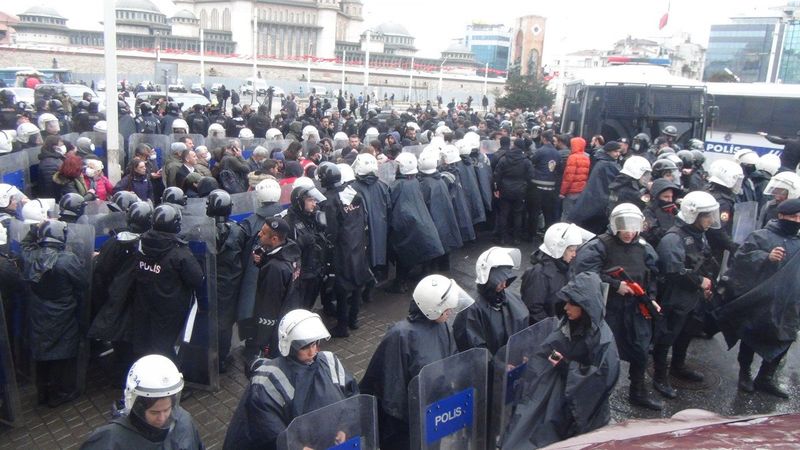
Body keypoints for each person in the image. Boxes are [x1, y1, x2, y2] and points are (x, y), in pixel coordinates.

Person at [501, 272, 620, 449]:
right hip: (558, 398)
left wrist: (568, 368)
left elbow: (601, 380)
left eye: (572, 303)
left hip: (577, 409)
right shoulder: (570, 325)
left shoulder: (602, 340)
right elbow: (547, 351)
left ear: (585, 306)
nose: (566, 307)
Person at [360, 275, 473, 450]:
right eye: (446, 308)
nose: (450, 312)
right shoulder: (401, 335)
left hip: (432, 413)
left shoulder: (441, 326)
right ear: (431, 309)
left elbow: (451, 360)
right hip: (407, 425)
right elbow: (391, 389)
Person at [223, 309, 358, 450]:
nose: (312, 352)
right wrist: (297, 447)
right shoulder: (269, 380)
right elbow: (269, 427)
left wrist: (344, 428)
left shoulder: (329, 361)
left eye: (314, 344)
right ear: (290, 346)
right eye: (304, 347)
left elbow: (352, 397)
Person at [573, 203, 662, 410]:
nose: (629, 233)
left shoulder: (644, 247)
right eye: (624, 228)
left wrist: (651, 298)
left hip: (636, 308)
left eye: (633, 228)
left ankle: (637, 392)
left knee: (641, 351)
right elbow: (585, 275)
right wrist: (615, 285)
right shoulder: (599, 246)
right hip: (609, 309)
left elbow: (652, 276)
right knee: (603, 354)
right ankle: (595, 398)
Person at [715, 198, 800, 398]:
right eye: (793, 217)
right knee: (751, 335)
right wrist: (765, 257)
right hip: (762, 299)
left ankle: (765, 378)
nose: (797, 221)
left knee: (784, 337)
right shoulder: (761, 236)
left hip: (789, 303)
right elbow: (740, 259)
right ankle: (744, 373)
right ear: (781, 216)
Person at [653, 191, 720, 400]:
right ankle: (659, 377)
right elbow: (673, 270)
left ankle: (678, 366)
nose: (711, 220)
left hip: (692, 296)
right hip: (675, 297)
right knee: (666, 336)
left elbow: (704, 260)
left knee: (687, 332)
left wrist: (707, 285)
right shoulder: (673, 238)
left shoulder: (699, 234)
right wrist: (700, 281)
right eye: (707, 216)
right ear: (694, 215)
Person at [21, 220, 88, 408]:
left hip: (38, 312)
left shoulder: (30, 256)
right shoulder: (67, 260)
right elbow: (83, 282)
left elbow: (25, 245)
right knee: (62, 354)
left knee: (42, 354)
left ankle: (43, 393)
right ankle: (60, 394)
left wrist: (35, 229)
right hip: (63, 313)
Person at [89, 201, 153, 386]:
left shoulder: (113, 243)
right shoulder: (149, 245)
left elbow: (101, 271)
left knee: (121, 342)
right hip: (138, 301)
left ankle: (122, 375)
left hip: (117, 298)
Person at [80, 354, 204, 449]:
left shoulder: (184, 422)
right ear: (136, 405)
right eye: (154, 412)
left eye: (167, 410)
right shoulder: (108, 440)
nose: (162, 418)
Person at [133, 204, 204, 362]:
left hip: (144, 305)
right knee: (165, 350)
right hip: (170, 310)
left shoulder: (140, 244)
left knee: (147, 346)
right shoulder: (179, 252)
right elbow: (197, 279)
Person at [318, 163, 372, 337]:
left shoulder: (329, 200)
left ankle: (342, 326)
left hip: (341, 249)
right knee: (357, 282)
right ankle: (353, 320)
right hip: (358, 243)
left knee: (341, 287)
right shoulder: (353, 193)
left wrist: (327, 249)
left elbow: (331, 230)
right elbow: (363, 218)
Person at [238, 179, 285, 356]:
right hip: (279, 276)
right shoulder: (286, 217)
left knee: (252, 309)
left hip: (253, 275)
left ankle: (252, 349)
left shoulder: (249, 222)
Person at [387, 153, 444, 293]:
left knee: (403, 254)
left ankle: (400, 283)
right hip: (418, 221)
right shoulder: (415, 182)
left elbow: (389, 204)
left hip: (404, 223)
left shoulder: (396, 185)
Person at [454, 247, 528, 354]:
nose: (504, 285)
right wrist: (498, 363)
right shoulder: (471, 309)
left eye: (507, 280)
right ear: (489, 278)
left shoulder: (507, 298)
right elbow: (475, 349)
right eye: (500, 280)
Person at [249, 217, 301, 360]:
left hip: (276, 329)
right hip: (289, 315)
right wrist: (263, 260)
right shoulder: (291, 251)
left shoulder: (274, 269)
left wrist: (262, 341)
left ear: (274, 239)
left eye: (264, 233)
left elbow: (269, 308)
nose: (259, 234)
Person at [206, 190, 246, 373]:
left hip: (208, 283)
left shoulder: (200, 229)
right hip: (230, 284)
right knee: (225, 323)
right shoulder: (238, 231)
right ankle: (221, 359)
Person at [522, 223, 586, 324]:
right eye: (571, 250)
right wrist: (553, 327)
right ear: (559, 249)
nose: (574, 254)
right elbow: (533, 308)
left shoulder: (565, 266)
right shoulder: (538, 274)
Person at [417, 149, 463, 272]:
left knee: (433, 241)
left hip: (432, 217)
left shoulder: (424, 184)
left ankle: (429, 270)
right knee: (445, 238)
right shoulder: (440, 179)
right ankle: (444, 265)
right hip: (444, 215)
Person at [283, 184, 328, 310]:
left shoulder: (314, 216)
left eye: (314, 200)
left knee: (310, 303)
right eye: (310, 200)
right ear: (299, 203)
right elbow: (284, 251)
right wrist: (300, 242)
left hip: (316, 270)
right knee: (299, 306)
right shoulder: (289, 221)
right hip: (302, 275)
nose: (314, 204)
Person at [569, 141, 622, 234]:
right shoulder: (608, 165)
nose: (618, 154)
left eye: (619, 152)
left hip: (591, 199)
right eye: (615, 151)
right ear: (608, 151)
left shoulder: (600, 161)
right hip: (600, 202)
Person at [493, 137, 535, 243]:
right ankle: (517, 238)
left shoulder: (504, 159)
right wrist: (525, 185)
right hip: (520, 189)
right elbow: (531, 176)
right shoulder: (526, 160)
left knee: (504, 213)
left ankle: (502, 238)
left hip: (505, 189)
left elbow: (497, 175)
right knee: (518, 214)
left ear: (513, 146)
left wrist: (496, 188)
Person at [526, 130, 561, 237]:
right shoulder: (557, 153)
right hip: (551, 186)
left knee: (534, 211)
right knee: (548, 212)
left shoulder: (540, 151)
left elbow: (532, 162)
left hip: (538, 185)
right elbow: (558, 168)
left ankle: (531, 235)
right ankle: (548, 234)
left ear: (543, 138)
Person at [642, 179, 681, 247]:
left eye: (671, 197)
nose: (670, 200)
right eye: (666, 197)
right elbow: (652, 235)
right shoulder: (648, 212)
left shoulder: (674, 209)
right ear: (656, 197)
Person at [559, 137, 590, 220]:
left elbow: (569, 177)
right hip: (581, 190)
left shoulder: (572, 157)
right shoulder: (586, 157)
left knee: (566, 214)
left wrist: (562, 192)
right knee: (576, 215)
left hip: (571, 191)